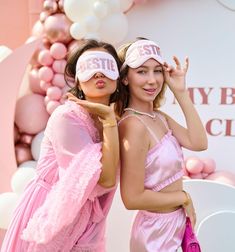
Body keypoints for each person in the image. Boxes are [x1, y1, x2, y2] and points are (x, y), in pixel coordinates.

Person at [1, 39, 122, 252]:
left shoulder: (117, 121)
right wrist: (110, 122)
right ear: (77, 79)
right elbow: (106, 178)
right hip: (50, 216)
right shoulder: (67, 117)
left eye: (106, 66)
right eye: (90, 67)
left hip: (86, 224)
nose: (99, 74)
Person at [116, 38, 208, 252]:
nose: (152, 80)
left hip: (175, 225)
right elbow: (132, 198)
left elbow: (198, 142)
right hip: (154, 234)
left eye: (157, 71)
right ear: (125, 78)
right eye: (141, 71)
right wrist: (183, 198)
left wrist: (180, 92)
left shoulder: (159, 117)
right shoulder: (133, 126)